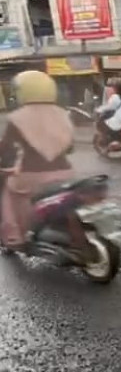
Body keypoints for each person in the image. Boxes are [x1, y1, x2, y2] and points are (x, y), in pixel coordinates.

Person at [0, 70, 93, 258]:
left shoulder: (17, 118)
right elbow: (69, 149)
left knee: (8, 193)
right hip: (65, 173)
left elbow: (6, 149)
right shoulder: (63, 114)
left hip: (31, 175)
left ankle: (15, 238)